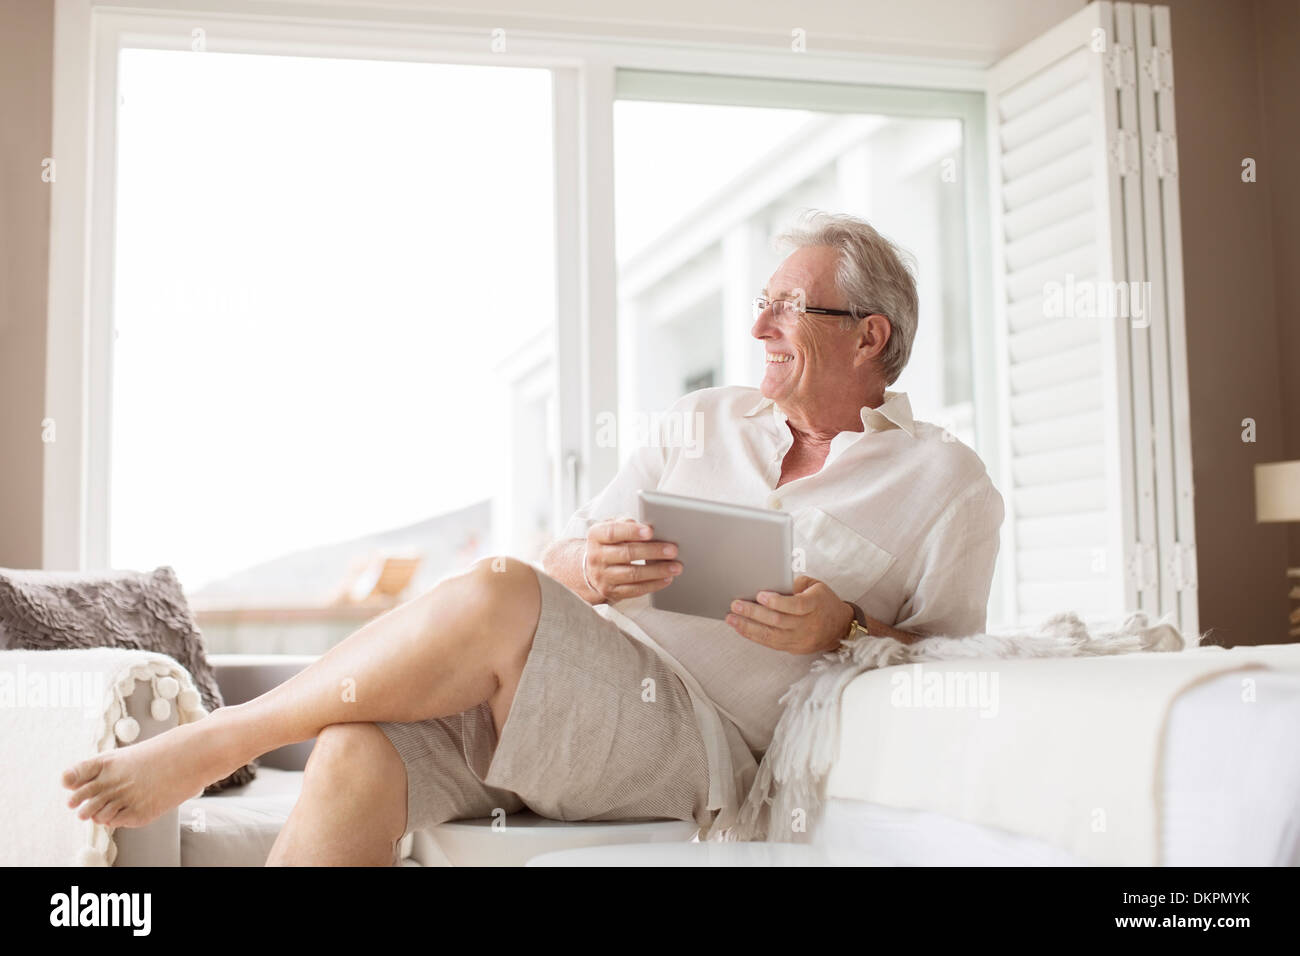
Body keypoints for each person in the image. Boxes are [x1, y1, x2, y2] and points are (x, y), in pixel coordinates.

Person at [62, 211, 1003, 864]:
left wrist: (839, 629)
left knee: (498, 587)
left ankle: (220, 739)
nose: (757, 324)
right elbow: (565, 557)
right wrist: (583, 564)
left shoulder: (944, 484)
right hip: (555, 690)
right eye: (761, 301)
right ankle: (235, 740)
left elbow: (958, 660)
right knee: (355, 753)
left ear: (870, 335)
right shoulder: (701, 418)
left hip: (692, 739)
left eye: (787, 308)